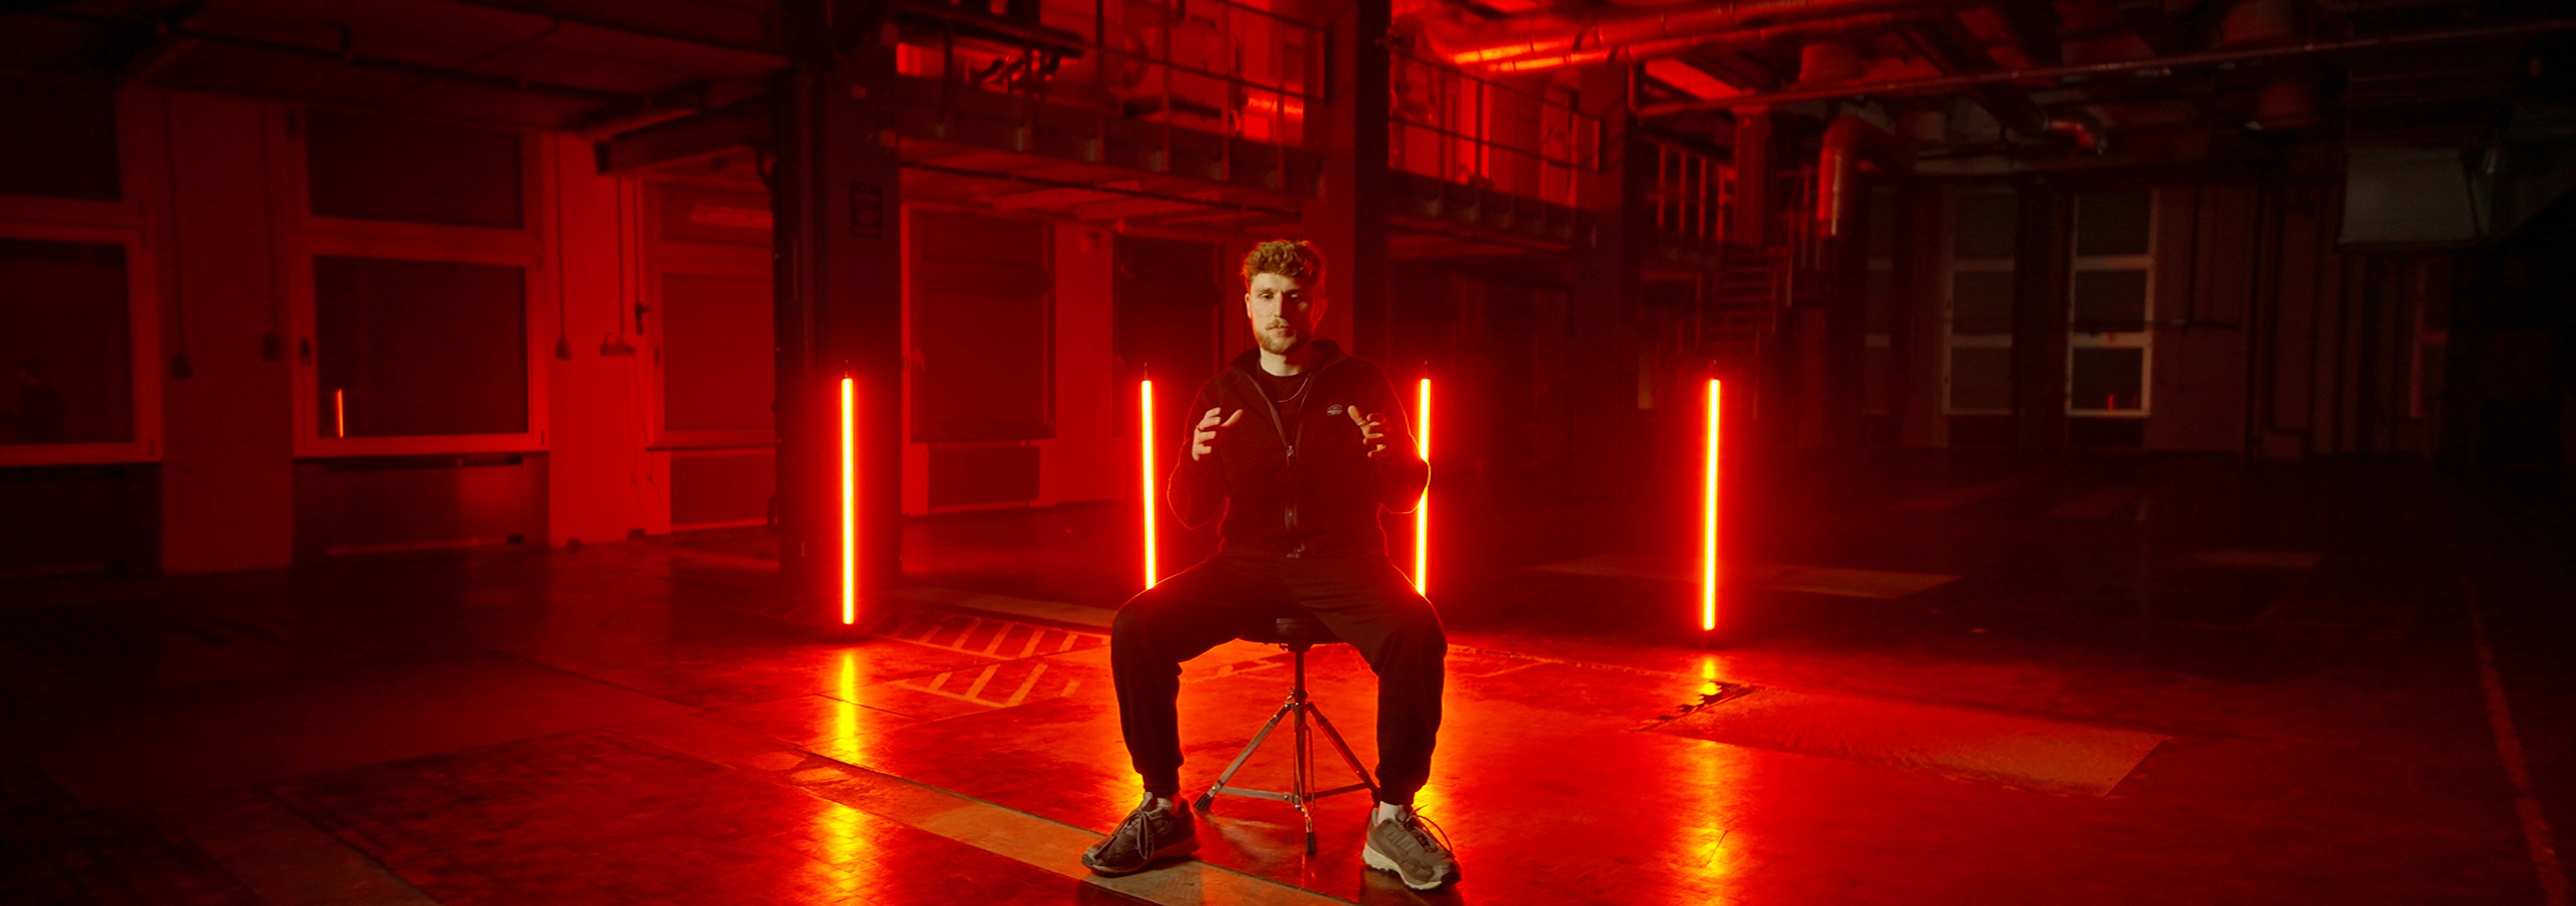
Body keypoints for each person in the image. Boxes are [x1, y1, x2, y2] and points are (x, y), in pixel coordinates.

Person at [1081, 240, 1460, 891]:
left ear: (1319, 304)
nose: (1281, 309)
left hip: (1346, 561)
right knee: (1136, 625)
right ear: (1248, 305)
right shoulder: (1222, 392)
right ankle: (1164, 807)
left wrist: (1390, 457)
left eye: (1295, 297)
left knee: (1416, 628)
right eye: (1267, 296)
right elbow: (1190, 512)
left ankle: (1392, 817)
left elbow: (1405, 495)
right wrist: (1194, 461)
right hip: (1247, 564)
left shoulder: (1362, 383)